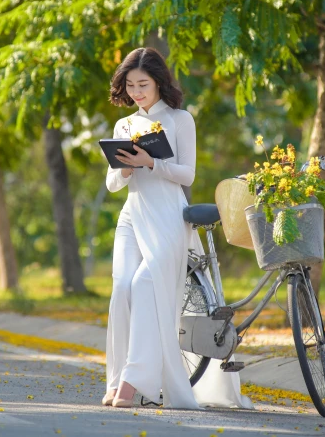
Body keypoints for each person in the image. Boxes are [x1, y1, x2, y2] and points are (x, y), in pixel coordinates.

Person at [102, 47, 253, 410]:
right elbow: (112, 184)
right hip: (132, 215)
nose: (137, 92)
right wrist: (125, 167)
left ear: (159, 83)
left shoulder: (181, 119)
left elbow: (187, 174)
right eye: (131, 85)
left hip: (168, 216)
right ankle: (116, 376)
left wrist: (152, 162)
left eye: (144, 84)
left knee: (143, 286)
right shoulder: (124, 125)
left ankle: (131, 382)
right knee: (121, 287)